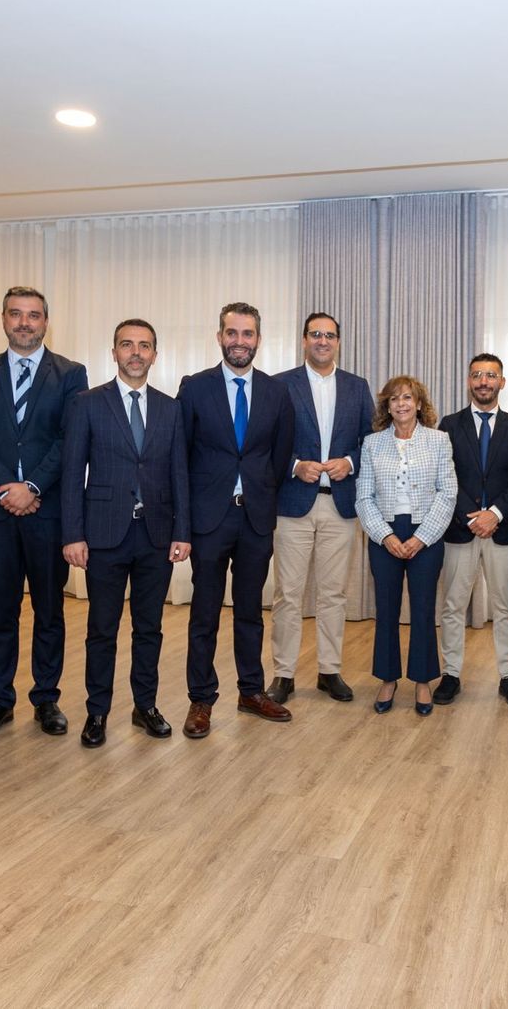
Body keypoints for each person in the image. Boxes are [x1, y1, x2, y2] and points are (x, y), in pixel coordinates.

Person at [0, 286, 88, 741]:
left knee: (49, 609)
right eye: (16, 314)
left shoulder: (72, 374)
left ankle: (46, 697)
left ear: (46, 322)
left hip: (48, 510)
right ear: (3, 318)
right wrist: (7, 488)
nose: (25, 323)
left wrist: (31, 487)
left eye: (34, 315)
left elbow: (70, 438)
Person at [61, 320, 191, 747]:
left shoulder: (171, 409)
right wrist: (73, 534)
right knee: (102, 628)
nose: (136, 352)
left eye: (145, 346)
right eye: (127, 345)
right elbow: (71, 473)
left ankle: (145, 706)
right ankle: (97, 712)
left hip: (156, 534)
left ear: (156, 354)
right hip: (103, 534)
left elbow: (179, 475)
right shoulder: (87, 404)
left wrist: (182, 531)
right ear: (114, 352)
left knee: (149, 628)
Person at [177, 302, 296, 738]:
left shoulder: (275, 391)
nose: (239, 341)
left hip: (256, 519)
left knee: (250, 611)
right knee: (204, 614)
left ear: (259, 340)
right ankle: (201, 700)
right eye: (232, 332)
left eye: (248, 334)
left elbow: (279, 455)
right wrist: (184, 522)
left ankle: (251, 691)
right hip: (209, 519)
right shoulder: (194, 388)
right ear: (219, 336)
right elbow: (180, 458)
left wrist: (262, 495)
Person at [266, 312, 374, 705]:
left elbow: (370, 441)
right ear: (304, 340)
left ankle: (330, 671)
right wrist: (295, 465)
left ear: (339, 342)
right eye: (315, 334)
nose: (322, 341)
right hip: (293, 505)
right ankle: (284, 674)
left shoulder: (357, 387)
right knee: (288, 594)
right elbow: (269, 443)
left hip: (339, 505)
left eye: (329, 335)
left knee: (333, 594)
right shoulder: (280, 386)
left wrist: (351, 461)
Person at [356, 376, 458, 715]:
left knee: (423, 610)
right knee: (385, 609)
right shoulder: (372, 443)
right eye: (394, 399)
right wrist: (384, 535)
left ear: (418, 403)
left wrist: (420, 537)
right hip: (384, 533)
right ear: (387, 406)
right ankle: (387, 678)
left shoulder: (439, 440)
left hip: (425, 534)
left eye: (407, 398)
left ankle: (423, 680)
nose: (401, 404)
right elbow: (363, 496)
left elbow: (448, 493)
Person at [436, 354, 508, 708]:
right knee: (453, 606)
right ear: (468, 381)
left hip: (502, 531)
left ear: (501, 383)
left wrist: (494, 514)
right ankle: (451, 674)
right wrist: (470, 516)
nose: (483, 381)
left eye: (490, 375)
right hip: (460, 531)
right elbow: (444, 475)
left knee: (505, 607)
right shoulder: (448, 424)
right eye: (477, 374)